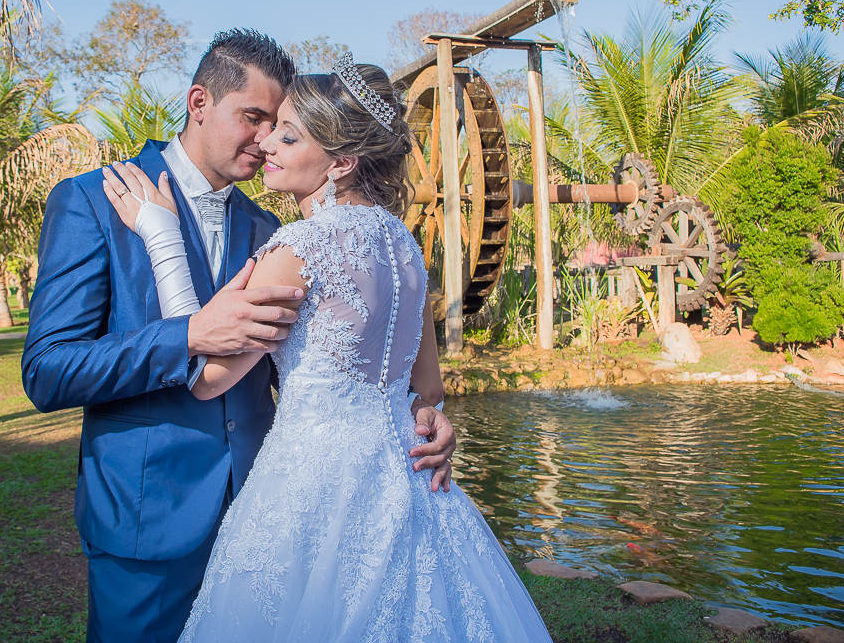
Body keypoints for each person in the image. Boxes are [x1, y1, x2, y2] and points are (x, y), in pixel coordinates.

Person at [21, 31, 458, 643]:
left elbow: (318, 363)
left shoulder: (274, 228)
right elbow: (48, 368)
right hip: (150, 517)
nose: (263, 140)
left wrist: (418, 410)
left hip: (277, 516)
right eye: (253, 118)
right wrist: (190, 334)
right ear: (200, 101)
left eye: (279, 125)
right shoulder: (93, 201)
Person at [102, 53, 554, 641]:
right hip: (408, 479)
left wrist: (162, 238)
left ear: (341, 163)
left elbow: (207, 374)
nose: (267, 145)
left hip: (311, 488)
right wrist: (430, 419)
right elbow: (431, 388)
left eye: (288, 137)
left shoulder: (300, 248)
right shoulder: (405, 248)